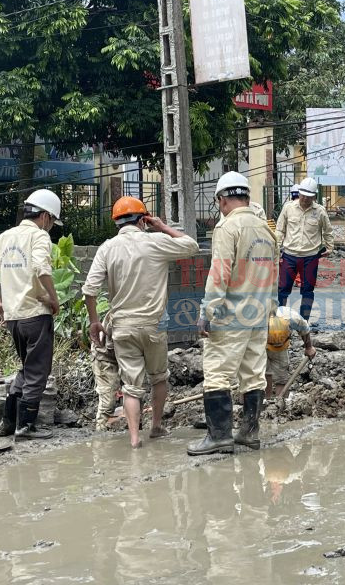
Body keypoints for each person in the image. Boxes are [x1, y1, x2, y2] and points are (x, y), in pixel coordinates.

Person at [82, 196, 199, 449]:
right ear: (143, 219)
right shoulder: (156, 241)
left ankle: (134, 439)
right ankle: (156, 427)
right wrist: (162, 226)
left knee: (131, 387)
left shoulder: (107, 248)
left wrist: (94, 322)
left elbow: (89, 290)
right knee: (159, 378)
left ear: (116, 222)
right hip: (154, 325)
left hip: (123, 327)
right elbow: (191, 246)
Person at [189, 172, 278, 456]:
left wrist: (207, 311)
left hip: (230, 317)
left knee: (217, 373)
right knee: (253, 375)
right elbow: (272, 273)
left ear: (222, 199)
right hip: (258, 316)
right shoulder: (265, 229)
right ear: (247, 197)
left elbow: (219, 274)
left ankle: (219, 437)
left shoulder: (228, 228)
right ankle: (249, 432)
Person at [0, 189, 63, 440]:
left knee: (27, 367)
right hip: (35, 315)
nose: (50, 227)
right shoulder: (39, 236)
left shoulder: (6, 236)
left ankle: (8, 422)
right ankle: (26, 426)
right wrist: (53, 299)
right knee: (38, 372)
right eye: (52, 222)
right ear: (45, 216)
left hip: (13, 318)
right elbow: (41, 267)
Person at [276, 177, 335, 323]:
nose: (305, 199)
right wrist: (276, 249)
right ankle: (279, 321)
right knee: (283, 290)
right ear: (299, 193)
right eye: (303, 195)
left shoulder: (320, 211)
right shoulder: (288, 208)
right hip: (289, 255)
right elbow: (280, 230)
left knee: (308, 291)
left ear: (314, 196)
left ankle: (304, 322)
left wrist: (329, 247)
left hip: (310, 257)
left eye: (308, 196)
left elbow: (328, 231)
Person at [265, 306, 316, 399]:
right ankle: (264, 400)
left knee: (281, 377)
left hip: (280, 348)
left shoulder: (290, 316)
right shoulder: (254, 318)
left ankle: (280, 401)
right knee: (262, 375)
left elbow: (304, 328)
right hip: (259, 346)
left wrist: (308, 347)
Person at [91, 311, 123, 432]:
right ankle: (101, 431)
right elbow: (111, 346)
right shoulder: (117, 315)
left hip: (120, 357)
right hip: (105, 358)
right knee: (108, 401)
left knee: (134, 393)